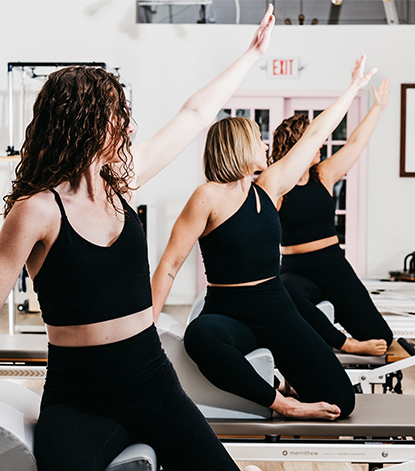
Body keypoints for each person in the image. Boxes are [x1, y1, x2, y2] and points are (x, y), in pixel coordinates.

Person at [0, 7, 291, 471]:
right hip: (78, 399)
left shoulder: (121, 185)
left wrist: (252, 55)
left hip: (152, 383)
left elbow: (194, 115)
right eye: (117, 120)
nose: (127, 131)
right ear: (84, 123)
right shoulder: (37, 210)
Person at [152, 56, 377, 420]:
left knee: (342, 402)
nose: (266, 144)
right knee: (200, 337)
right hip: (228, 312)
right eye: (258, 138)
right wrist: (146, 332)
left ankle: (290, 381)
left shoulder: (268, 187)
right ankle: (281, 401)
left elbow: (315, 134)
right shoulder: (206, 196)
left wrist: (352, 90)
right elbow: (169, 266)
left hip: (276, 307)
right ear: (239, 146)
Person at [272, 78, 393, 356]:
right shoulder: (278, 183)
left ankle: (333, 321)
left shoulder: (324, 174)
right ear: (297, 143)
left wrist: (377, 107)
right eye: (314, 139)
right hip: (296, 270)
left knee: (381, 338)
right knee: (286, 290)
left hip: (333, 266)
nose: (320, 144)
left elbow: (355, 143)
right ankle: (342, 343)